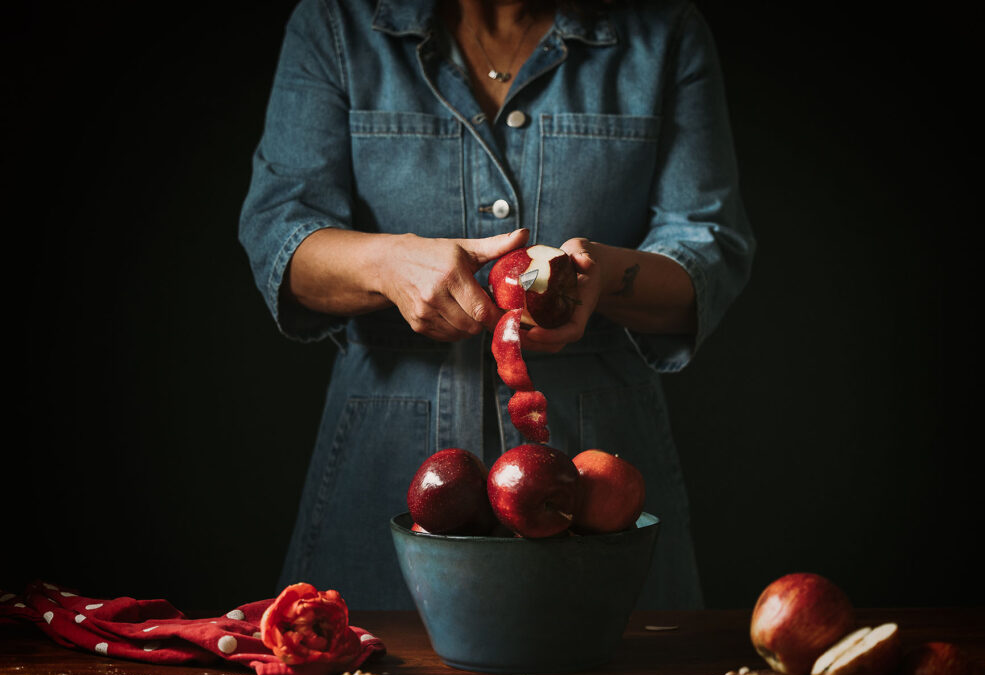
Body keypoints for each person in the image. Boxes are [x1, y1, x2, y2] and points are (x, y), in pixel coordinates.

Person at [239, 0, 755, 610]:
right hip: (383, 460)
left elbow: (709, 245)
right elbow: (280, 234)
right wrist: (388, 265)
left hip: (597, 471)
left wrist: (602, 279)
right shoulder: (334, 24)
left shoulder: (663, 32)